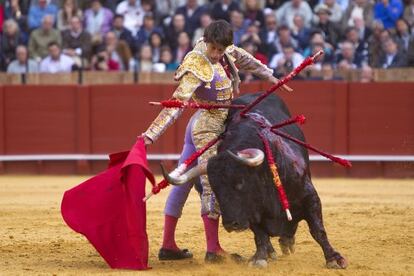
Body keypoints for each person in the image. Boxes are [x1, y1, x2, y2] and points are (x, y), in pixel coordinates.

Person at [141, 20, 283, 263]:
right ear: (206, 41)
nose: (217, 54)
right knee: (211, 183)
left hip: (208, 123)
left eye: (221, 49)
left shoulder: (225, 50)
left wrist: (270, 76)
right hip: (206, 128)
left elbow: (243, 57)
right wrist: (151, 134)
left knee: (181, 181)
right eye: (214, 49)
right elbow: (176, 104)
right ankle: (213, 248)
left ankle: (167, 245)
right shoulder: (197, 62)